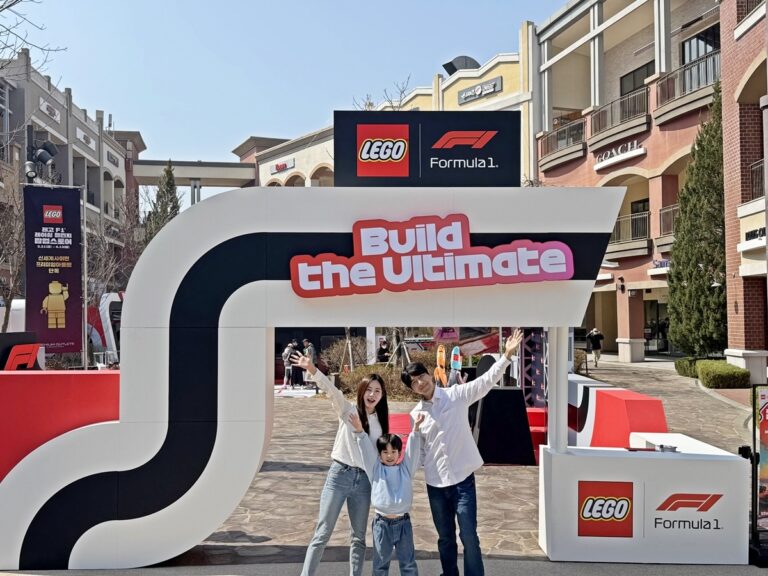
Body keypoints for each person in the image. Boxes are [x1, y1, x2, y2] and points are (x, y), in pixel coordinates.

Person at [400, 329, 523, 576]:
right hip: (435, 484)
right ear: (412, 389)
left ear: (430, 374)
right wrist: (400, 475)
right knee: (445, 538)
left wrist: (506, 356)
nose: (420, 383)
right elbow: (418, 454)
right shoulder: (416, 415)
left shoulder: (455, 395)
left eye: (421, 376)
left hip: (463, 481)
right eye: (413, 382)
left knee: (469, 536)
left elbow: (485, 382)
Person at [292, 350, 389, 576]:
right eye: (369, 390)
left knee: (358, 537)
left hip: (363, 482)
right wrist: (312, 369)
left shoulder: (381, 422)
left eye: (377, 391)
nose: (372, 394)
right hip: (339, 475)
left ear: (382, 395)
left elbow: (377, 457)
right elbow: (331, 390)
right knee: (322, 533)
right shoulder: (347, 409)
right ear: (362, 391)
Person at [348, 410, 424, 576]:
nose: (389, 455)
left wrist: (416, 430)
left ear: (399, 453)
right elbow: (366, 452)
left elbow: (412, 452)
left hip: (403, 524)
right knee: (380, 566)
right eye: (385, 452)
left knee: (408, 565)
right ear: (380, 454)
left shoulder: (406, 469)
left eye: (393, 452)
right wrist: (360, 431)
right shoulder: (375, 469)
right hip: (382, 525)